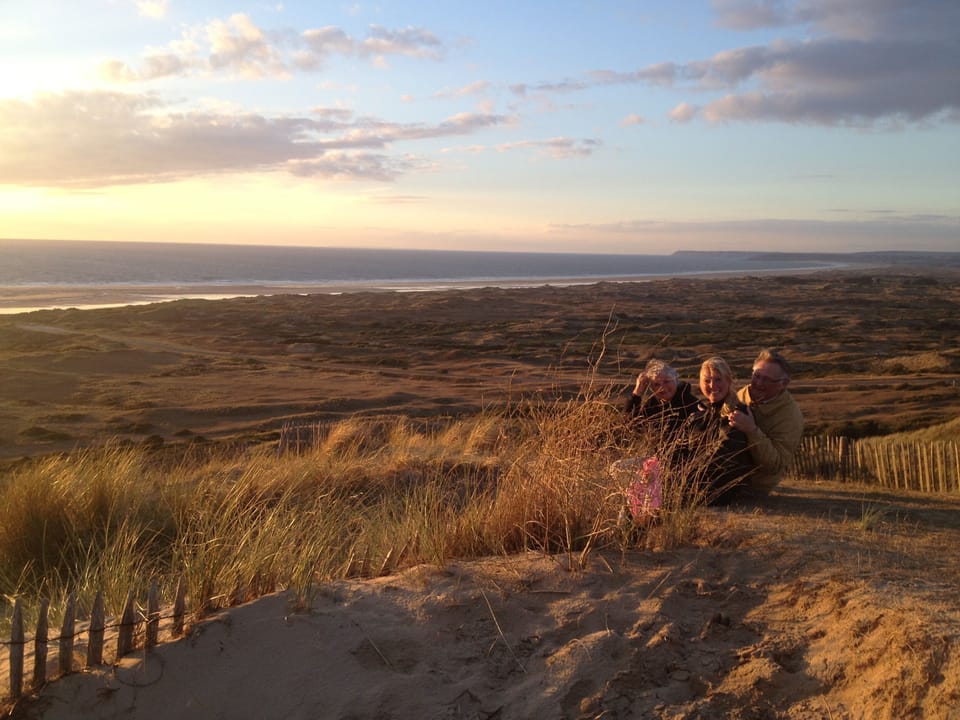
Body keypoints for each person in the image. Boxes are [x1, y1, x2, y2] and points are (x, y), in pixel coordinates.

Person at [728, 348, 804, 495]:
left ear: (784, 383)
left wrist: (752, 430)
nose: (758, 383)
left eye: (767, 380)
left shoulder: (790, 417)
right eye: (756, 376)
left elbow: (774, 465)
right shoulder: (742, 394)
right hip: (728, 473)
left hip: (754, 485)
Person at [686, 357, 755, 504]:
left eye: (718, 379)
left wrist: (687, 473)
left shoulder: (737, 413)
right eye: (707, 380)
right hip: (702, 479)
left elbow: (724, 453)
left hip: (725, 486)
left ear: (728, 381)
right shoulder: (704, 413)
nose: (712, 385)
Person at [624, 359, 699, 442]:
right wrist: (637, 392)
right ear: (651, 388)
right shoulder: (652, 405)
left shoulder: (691, 403)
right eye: (656, 384)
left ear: (676, 380)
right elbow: (630, 425)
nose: (662, 388)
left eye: (667, 382)